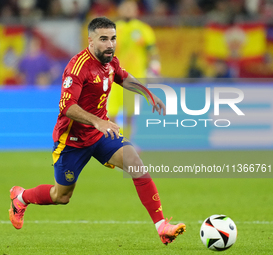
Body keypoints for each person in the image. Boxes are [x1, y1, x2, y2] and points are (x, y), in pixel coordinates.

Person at [9, 17, 186, 246]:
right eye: (103, 39)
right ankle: (21, 197)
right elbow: (66, 106)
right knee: (61, 196)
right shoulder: (77, 67)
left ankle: (162, 226)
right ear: (90, 40)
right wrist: (97, 122)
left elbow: (123, 77)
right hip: (71, 140)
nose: (110, 44)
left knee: (135, 161)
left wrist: (147, 92)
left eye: (113, 38)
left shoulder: (109, 61)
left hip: (100, 134)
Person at [107, 0, 160, 139]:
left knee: (130, 113)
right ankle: (115, 141)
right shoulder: (113, 29)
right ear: (120, 10)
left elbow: (152, 50)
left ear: (137, 11)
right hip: (114, 77)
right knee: (110, 112)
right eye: (126, 8)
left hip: (135, 78)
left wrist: (155, 66)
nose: (129, 10)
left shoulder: (144, 29)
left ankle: (128, 141)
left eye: (132, 8)